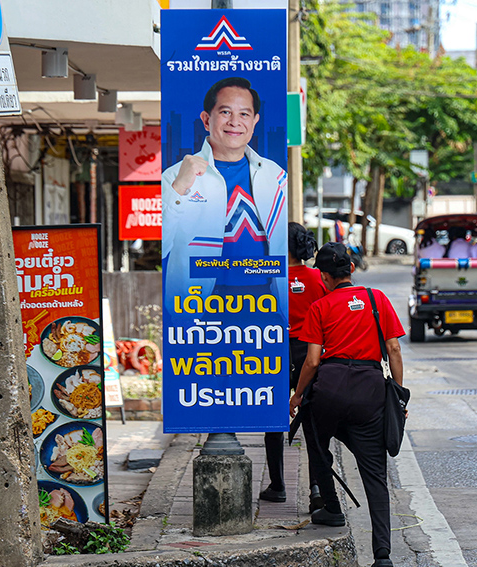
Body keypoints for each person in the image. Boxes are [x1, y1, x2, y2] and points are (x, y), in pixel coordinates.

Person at [289, 242, 404, 567]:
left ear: (323, 276)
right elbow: (393, 350)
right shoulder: (376, 299)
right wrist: (397, 392)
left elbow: (311, 362)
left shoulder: (320, 307)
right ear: (351, 269)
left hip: (330, 391)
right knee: (375, 474)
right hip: (369, 393)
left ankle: (332, 508)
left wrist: (297, 397)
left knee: (315, 439)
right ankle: (382, 555)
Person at [161, 76, 288, 302]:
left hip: (265, 302)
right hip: (196, 302)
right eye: (225, 112)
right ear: (206, 119)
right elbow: (161, 246)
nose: (235, 122)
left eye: (244, 114)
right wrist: (179, 188)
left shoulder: (275, 175)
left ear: (255, 120)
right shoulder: (174, 176)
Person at [261, 223, 327, 507]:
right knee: (313, 422)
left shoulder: (266, 277)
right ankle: (316, 488)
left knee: (273, 422)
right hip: (309, 353)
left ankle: (277, 486)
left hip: (274, 351)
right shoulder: (318, 278)